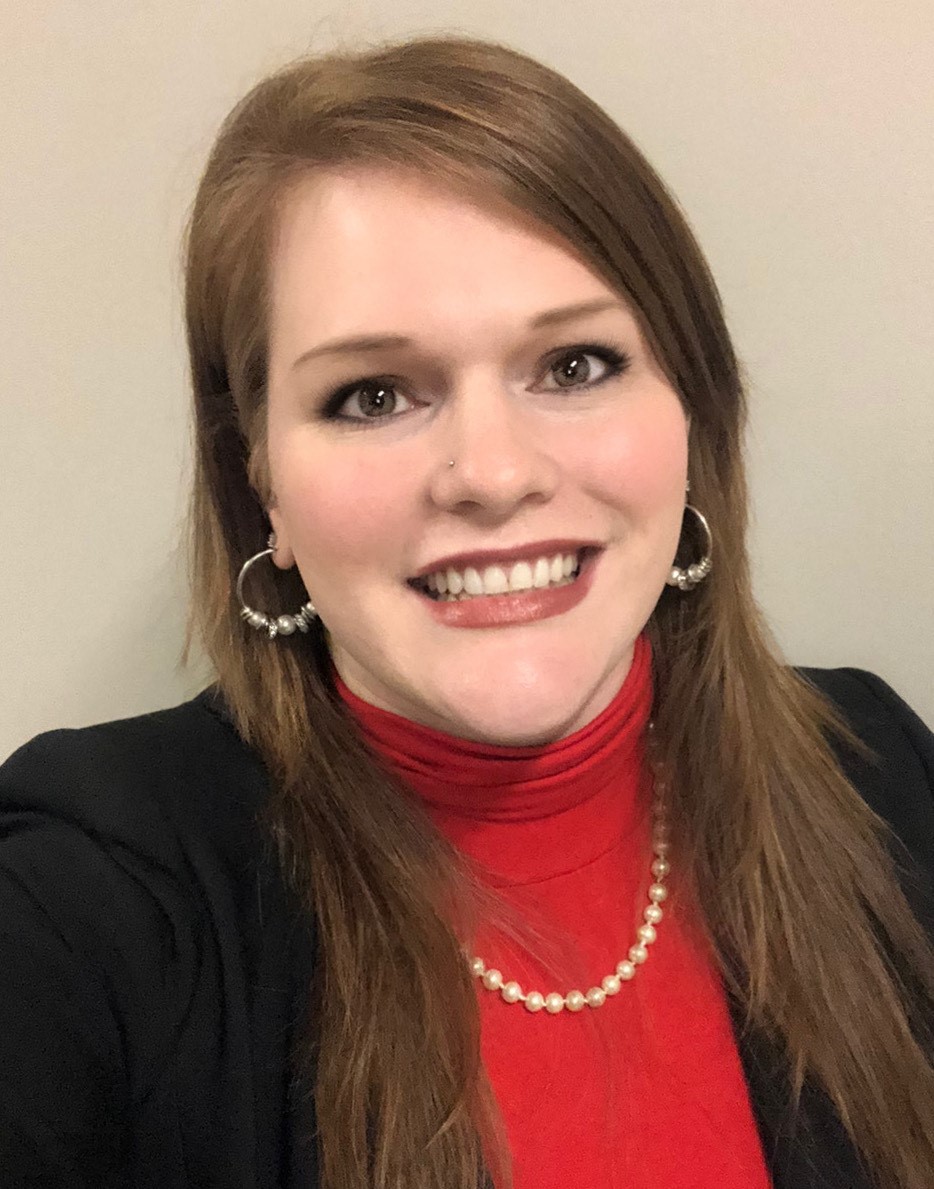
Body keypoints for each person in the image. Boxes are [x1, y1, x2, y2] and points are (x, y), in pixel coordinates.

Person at [1, 33, 932, 1189]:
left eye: (575, 365)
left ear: (692, 417)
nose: (491, 474)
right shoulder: (81, 906)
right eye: (374, 394)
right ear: (264, 490)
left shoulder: (881, 769)